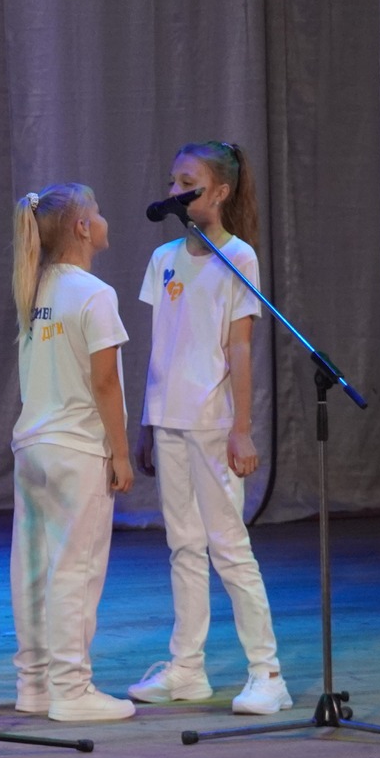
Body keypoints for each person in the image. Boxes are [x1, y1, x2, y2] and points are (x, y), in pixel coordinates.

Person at [127, 141, 289, 716]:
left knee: (228, 546)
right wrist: (146, 423)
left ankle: (267, 672)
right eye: (172, 180)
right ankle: (187, 668)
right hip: (168, 420)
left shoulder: (238, 257)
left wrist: (242, 428)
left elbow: (239, 348)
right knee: (183, 546)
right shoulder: (164, 258)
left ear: (219, 192)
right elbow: (161, 348)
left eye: (187, 181)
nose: (175, 191)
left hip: (212, 423)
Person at [8, 184, 136, 723]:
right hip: (77, 448)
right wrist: (121, 453)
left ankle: (34, 684)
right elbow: (104, 382)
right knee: (75, 569)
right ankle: (71, 689)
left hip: (33, 444)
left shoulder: (35, 288)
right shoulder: (92, 293)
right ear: (82, 227)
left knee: (33, 569)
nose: (104, 219)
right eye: (97, 212)